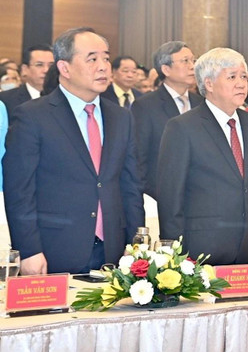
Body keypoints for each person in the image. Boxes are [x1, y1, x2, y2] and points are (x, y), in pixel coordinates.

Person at [3, 27, 144, 274]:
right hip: (54, 250)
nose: (103, 67)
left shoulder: (121, 118)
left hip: (114, 250)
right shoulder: (32, 116)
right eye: (92, 59)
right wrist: (28, 250)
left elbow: (130, 186)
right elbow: (19, 191)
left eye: (106, 58)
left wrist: (136, 245)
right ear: (64, 68)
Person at [157, 48, 248, 264]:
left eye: (243, 76)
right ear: (209, 84)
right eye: (231, 77)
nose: (241, 83)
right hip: (201, 249)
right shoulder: (182, 127)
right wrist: (173, 254)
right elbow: (171, 197)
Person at [131, 41, 202, 198]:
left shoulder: (201, 103)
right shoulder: (145, 106)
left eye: (193, 60)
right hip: (162, 196)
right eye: (185, 61)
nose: (192, 66)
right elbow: (139, 159)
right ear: (166, 69)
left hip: (200, 198)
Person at [0, 44, 54, 121]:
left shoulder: (62, 98)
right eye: (39, 65)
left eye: (51, 65)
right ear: (24, 69)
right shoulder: (5, 99)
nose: (46, 70)